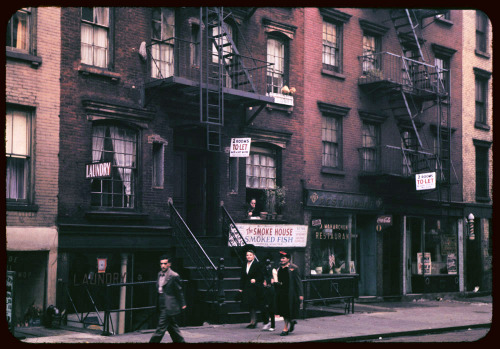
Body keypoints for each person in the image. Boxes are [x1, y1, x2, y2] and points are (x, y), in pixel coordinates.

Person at [149, 255, 187, 343]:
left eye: (165, 264)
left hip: (169, 305)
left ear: (169, 264)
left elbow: (179, 291)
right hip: (161, 303)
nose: (163, 265)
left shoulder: (174, 276)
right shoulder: (159, 274)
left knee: (160, 328)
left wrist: (183, 303)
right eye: (161, 263)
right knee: (172, 327)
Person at [274, 251, 303, 336]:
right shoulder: (279, 268)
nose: (281, 260)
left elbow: (298, 282)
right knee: (284, 311)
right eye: (281, 258)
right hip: (281, 293)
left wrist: (301, 294)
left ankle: (285, 328)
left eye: (283, 258)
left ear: (288, 259)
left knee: (287, 310)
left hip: (291, 293)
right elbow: (277, 279)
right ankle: (291, 322)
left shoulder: (294, 268)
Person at [238, 248, 264, 328]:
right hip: (246, 286)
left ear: (254, 256)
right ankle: (251, 321)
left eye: (250, 255)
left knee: (253, 304)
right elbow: (242, 277)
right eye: (247, 255)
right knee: (249, 304)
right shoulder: (244, 264)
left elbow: (261, 275)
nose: (248, 256)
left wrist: (255, 280)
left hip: (254, 287)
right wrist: (241, 288)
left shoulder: (257, 264)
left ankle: (254, 321)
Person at [261, 258, 276, 331]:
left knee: (271, 307)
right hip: (265, 289)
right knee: (264, 306)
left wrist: (269, 281)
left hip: (270, 289)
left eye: (268, 264)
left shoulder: (273, 270)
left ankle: (272, 325)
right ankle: (266, 322)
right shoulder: (263, 269)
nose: (268, 266)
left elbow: (274, 279)